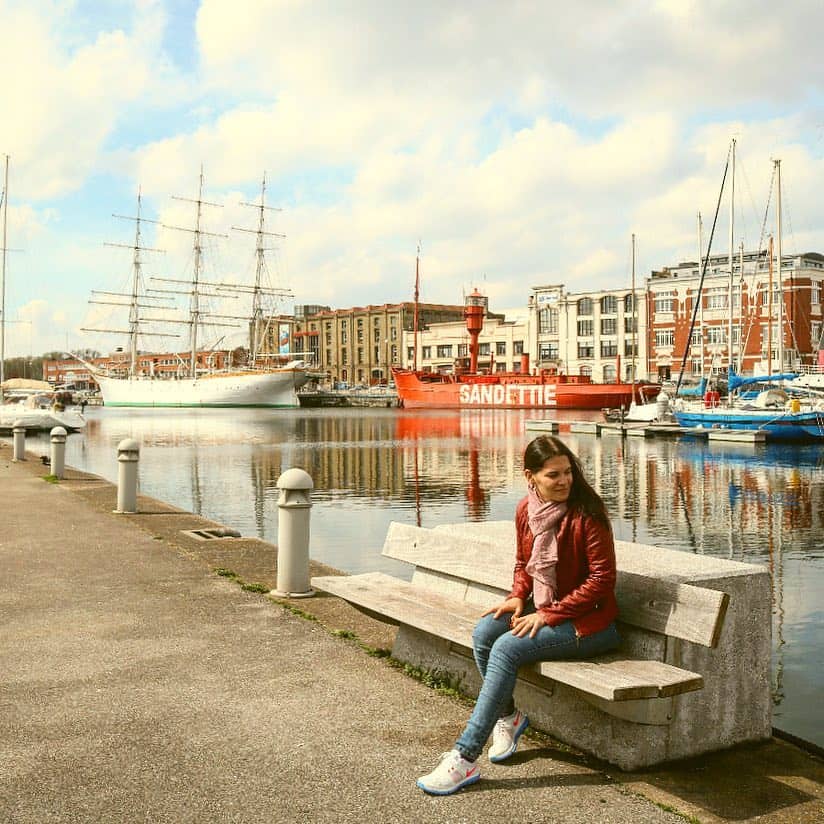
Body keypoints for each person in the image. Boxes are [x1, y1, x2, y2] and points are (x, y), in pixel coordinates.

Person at [416, 434, 620, 795]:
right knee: (483, 634)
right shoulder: (526, 510)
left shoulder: (588, 512)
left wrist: (549, 614)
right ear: (531, 477)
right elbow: (524, 563)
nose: (564, 482)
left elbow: (602, 581)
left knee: (507, 648)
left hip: (592, 624)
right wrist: (517, 596)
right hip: (547, 608)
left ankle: (463, 758)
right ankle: (509, 717)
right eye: (553, 475)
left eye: (567, 473)